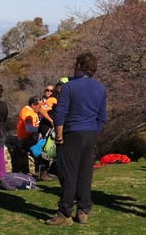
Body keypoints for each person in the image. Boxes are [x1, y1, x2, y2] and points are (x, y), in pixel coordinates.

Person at [46, 52, 107, 226]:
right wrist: (94, 132)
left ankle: (64, 213)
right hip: (90, 134)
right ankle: (83, 209)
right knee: (85, 174)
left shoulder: (69, 87)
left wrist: (59, 137)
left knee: (68, 174)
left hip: (71, 133)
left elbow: (60, 115)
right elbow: (102, 116)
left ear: (79, 66)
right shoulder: (100, 88)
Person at [14, 96, 43, 175]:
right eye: (39, 106)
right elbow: (29, 129)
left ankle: (41, 171)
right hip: (26, 139)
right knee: (42, 149)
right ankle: (41, 172)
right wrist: (41, 129)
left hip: (31, 137)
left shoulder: (33, 111)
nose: (41, 108)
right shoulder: (27, 113)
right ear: (33, 105)